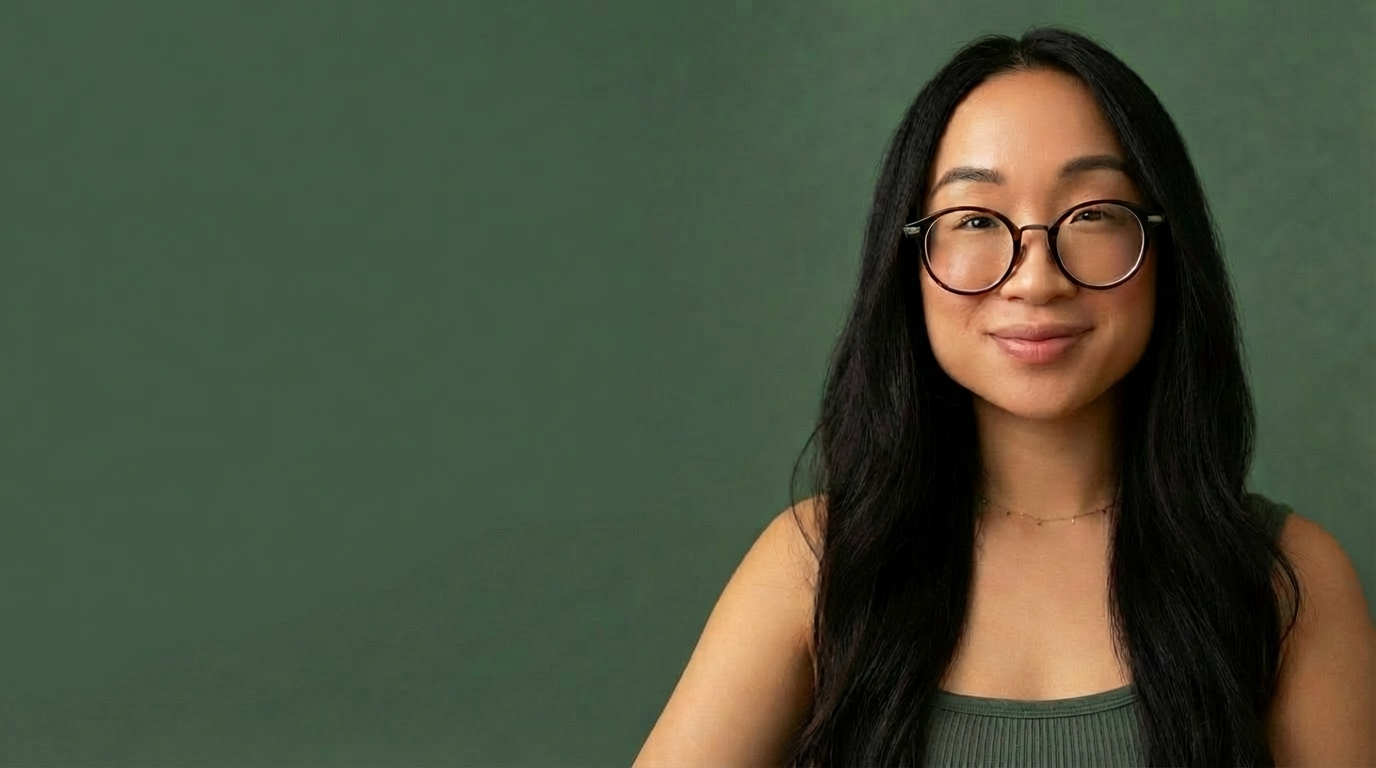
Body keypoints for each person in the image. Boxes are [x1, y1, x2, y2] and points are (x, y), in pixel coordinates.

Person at [631, 26, 1375, 768]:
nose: (1036, 277)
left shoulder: (1288, 577)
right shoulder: (816, 567)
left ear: (1166, 250)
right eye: (977, 220)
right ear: (908, 261)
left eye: (1091, 215)